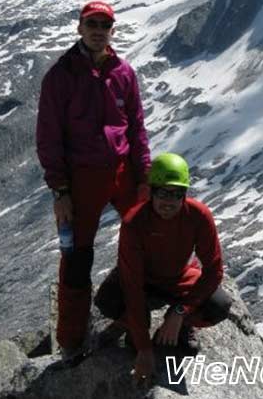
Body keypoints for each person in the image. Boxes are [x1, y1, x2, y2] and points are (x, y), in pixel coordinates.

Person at [36, 0, 151, 357]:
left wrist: (144, 177)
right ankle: (71, 341)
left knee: (147, 240)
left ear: (112, 30)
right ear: (80, 28)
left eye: (105, 24)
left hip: (121, 171)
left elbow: (136, 129)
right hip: (80, 178)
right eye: (92, 23)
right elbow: (48, 137)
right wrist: (60, 190)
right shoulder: (60, 75)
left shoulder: (123, 72)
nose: (99, 30)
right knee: (76, 257)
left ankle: (138, 321)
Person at [95, 153, 232, 384]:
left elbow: (214, 271)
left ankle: (180, 326)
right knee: (108, 301)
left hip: (178, 278)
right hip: (143, 280)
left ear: (185, 195)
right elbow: (132, 285)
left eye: (176, 194)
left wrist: (181, 312)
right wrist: (144, 348)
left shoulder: (199, 216)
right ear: (151, 192)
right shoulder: (134, 222)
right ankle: (135, 323)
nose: (169, 201)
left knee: (219, 306)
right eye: (162, 193)